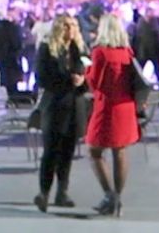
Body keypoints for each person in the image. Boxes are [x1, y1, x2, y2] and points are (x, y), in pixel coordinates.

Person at [84, 14, 140, 217]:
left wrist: (87, 68)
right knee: (120, 152)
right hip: (126, 107)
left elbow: (94, 83)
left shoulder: (100, 53)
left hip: (106, 107)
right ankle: (117, 199)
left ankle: (110, 196)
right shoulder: (127, 52)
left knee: (94, 151)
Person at [33, 15, 87, 213]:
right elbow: (41, 77)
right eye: (66, 26)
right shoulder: (47, 49)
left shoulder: (78, 49)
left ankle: (62, 192)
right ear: (58, 28)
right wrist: (67, 80)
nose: (70, 30)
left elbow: (87, 74)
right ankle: (43, 193)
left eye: (73, 25)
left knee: (67, 153)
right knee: (50, 152)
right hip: (55, 106)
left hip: (74, 106)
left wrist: (82, 82)